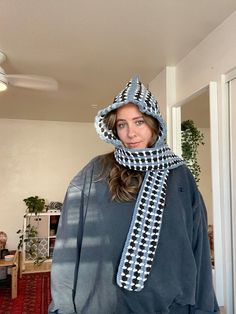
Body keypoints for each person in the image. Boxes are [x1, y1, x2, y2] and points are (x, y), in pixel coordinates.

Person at [48, 76, 220, 314]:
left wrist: (204, 308)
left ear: (154, 123)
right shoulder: (95, 172)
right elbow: (68, 245)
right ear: (113, 129)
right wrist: (63, 307)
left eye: (139, 122)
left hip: (170, 306)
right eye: (122, 124)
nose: (130, 133)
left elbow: (198, 247)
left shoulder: (180, 176)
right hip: (103, 304)